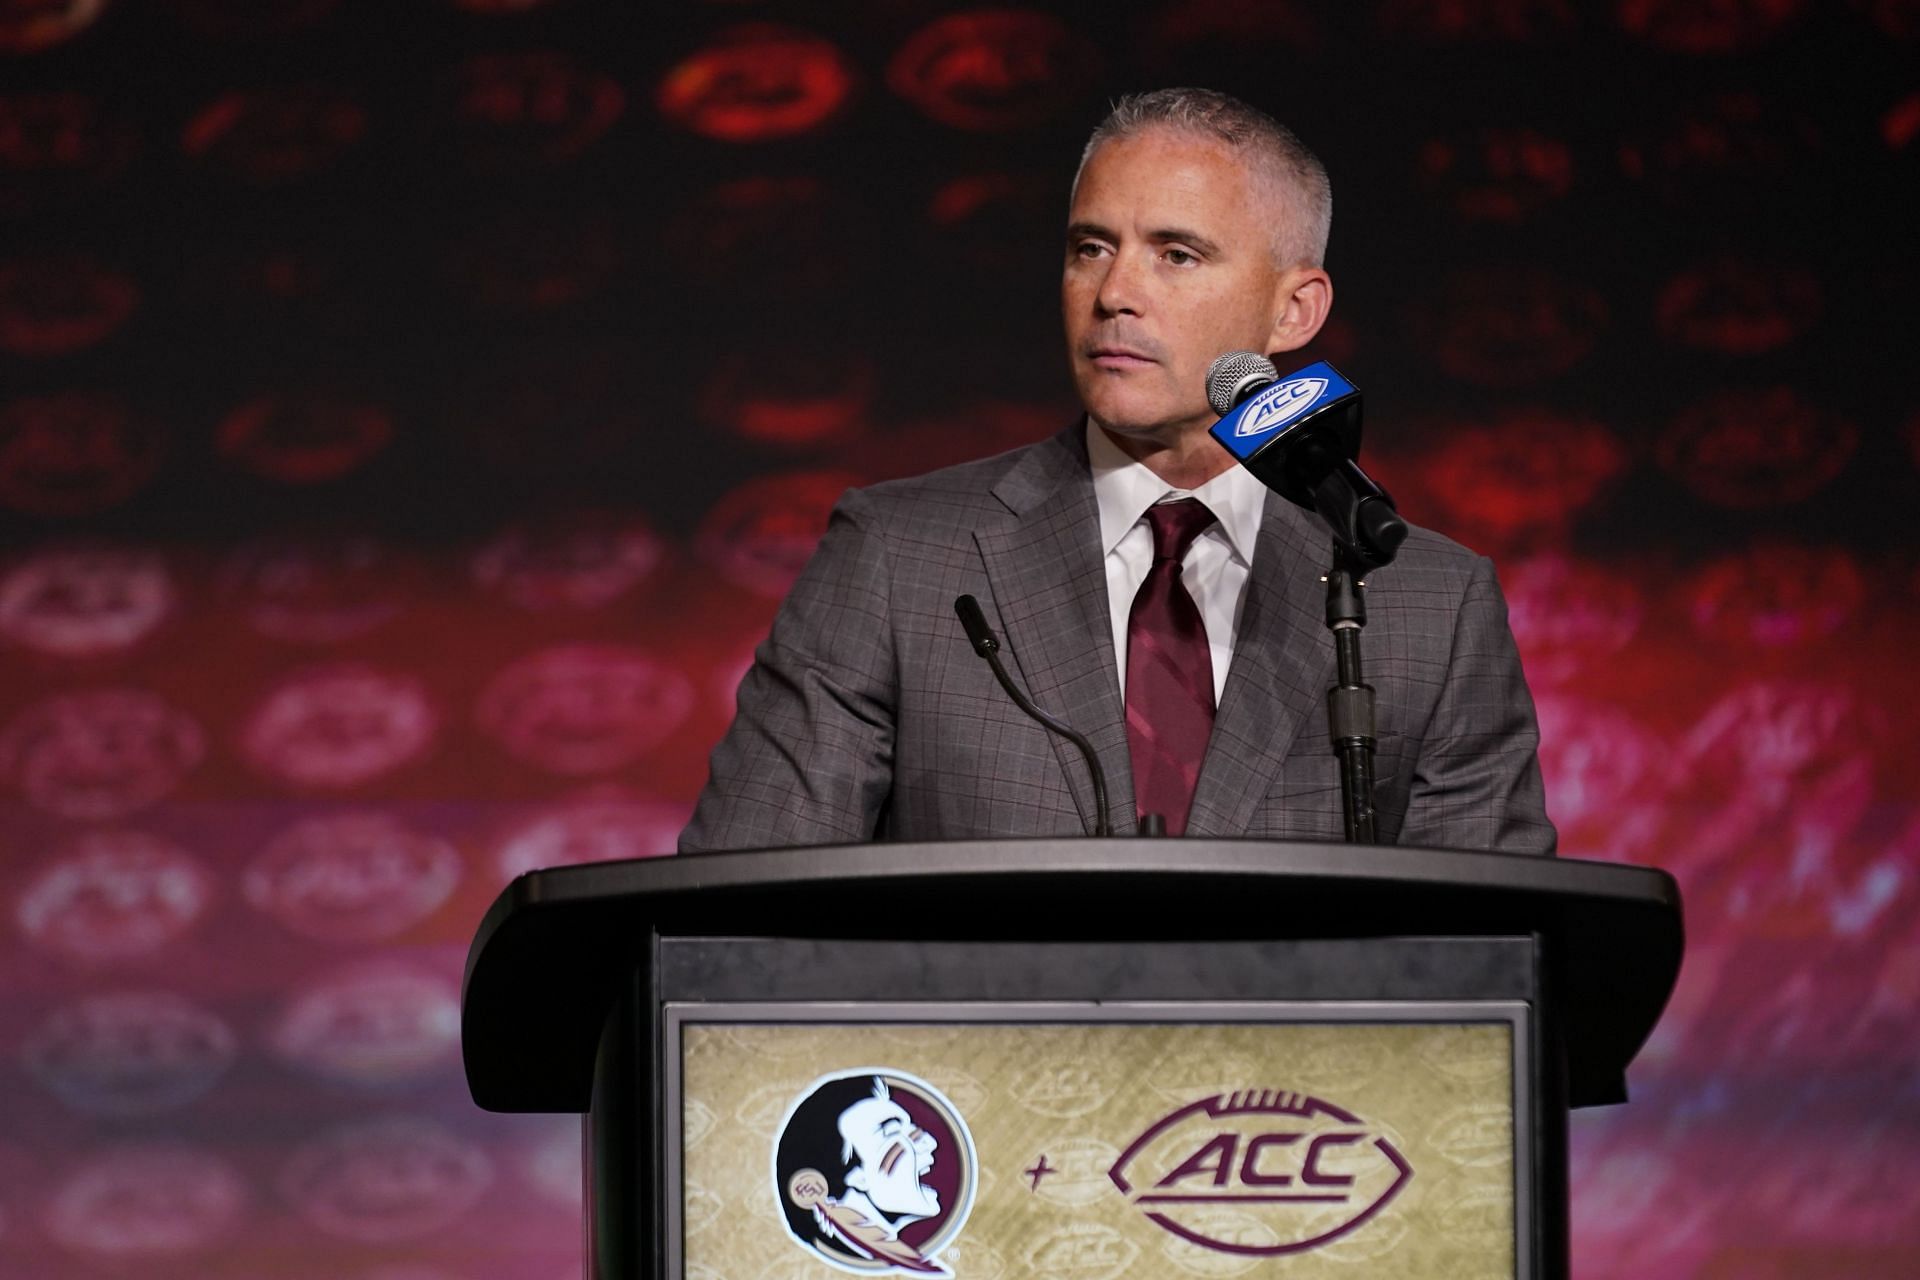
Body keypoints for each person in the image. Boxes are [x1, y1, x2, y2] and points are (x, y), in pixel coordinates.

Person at [680, 88, 1554, 854]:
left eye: (1177, 254)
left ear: (1295, 309)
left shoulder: (1428, 605)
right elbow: (732, 923)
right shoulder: (897, 560)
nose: (1113, 295)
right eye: (1091, 248)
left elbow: (1499, 974)